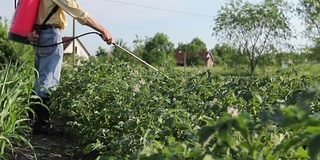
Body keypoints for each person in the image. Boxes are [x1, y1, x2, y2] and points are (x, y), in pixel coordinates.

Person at [27, 0, 113, 135]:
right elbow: (78, 12)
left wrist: (31, 30)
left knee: (40, 78)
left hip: (38, 34)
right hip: (51, 35)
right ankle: (42, 125)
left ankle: (34, 121)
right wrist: (103, 30)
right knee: (48, 81)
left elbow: (29, 12)